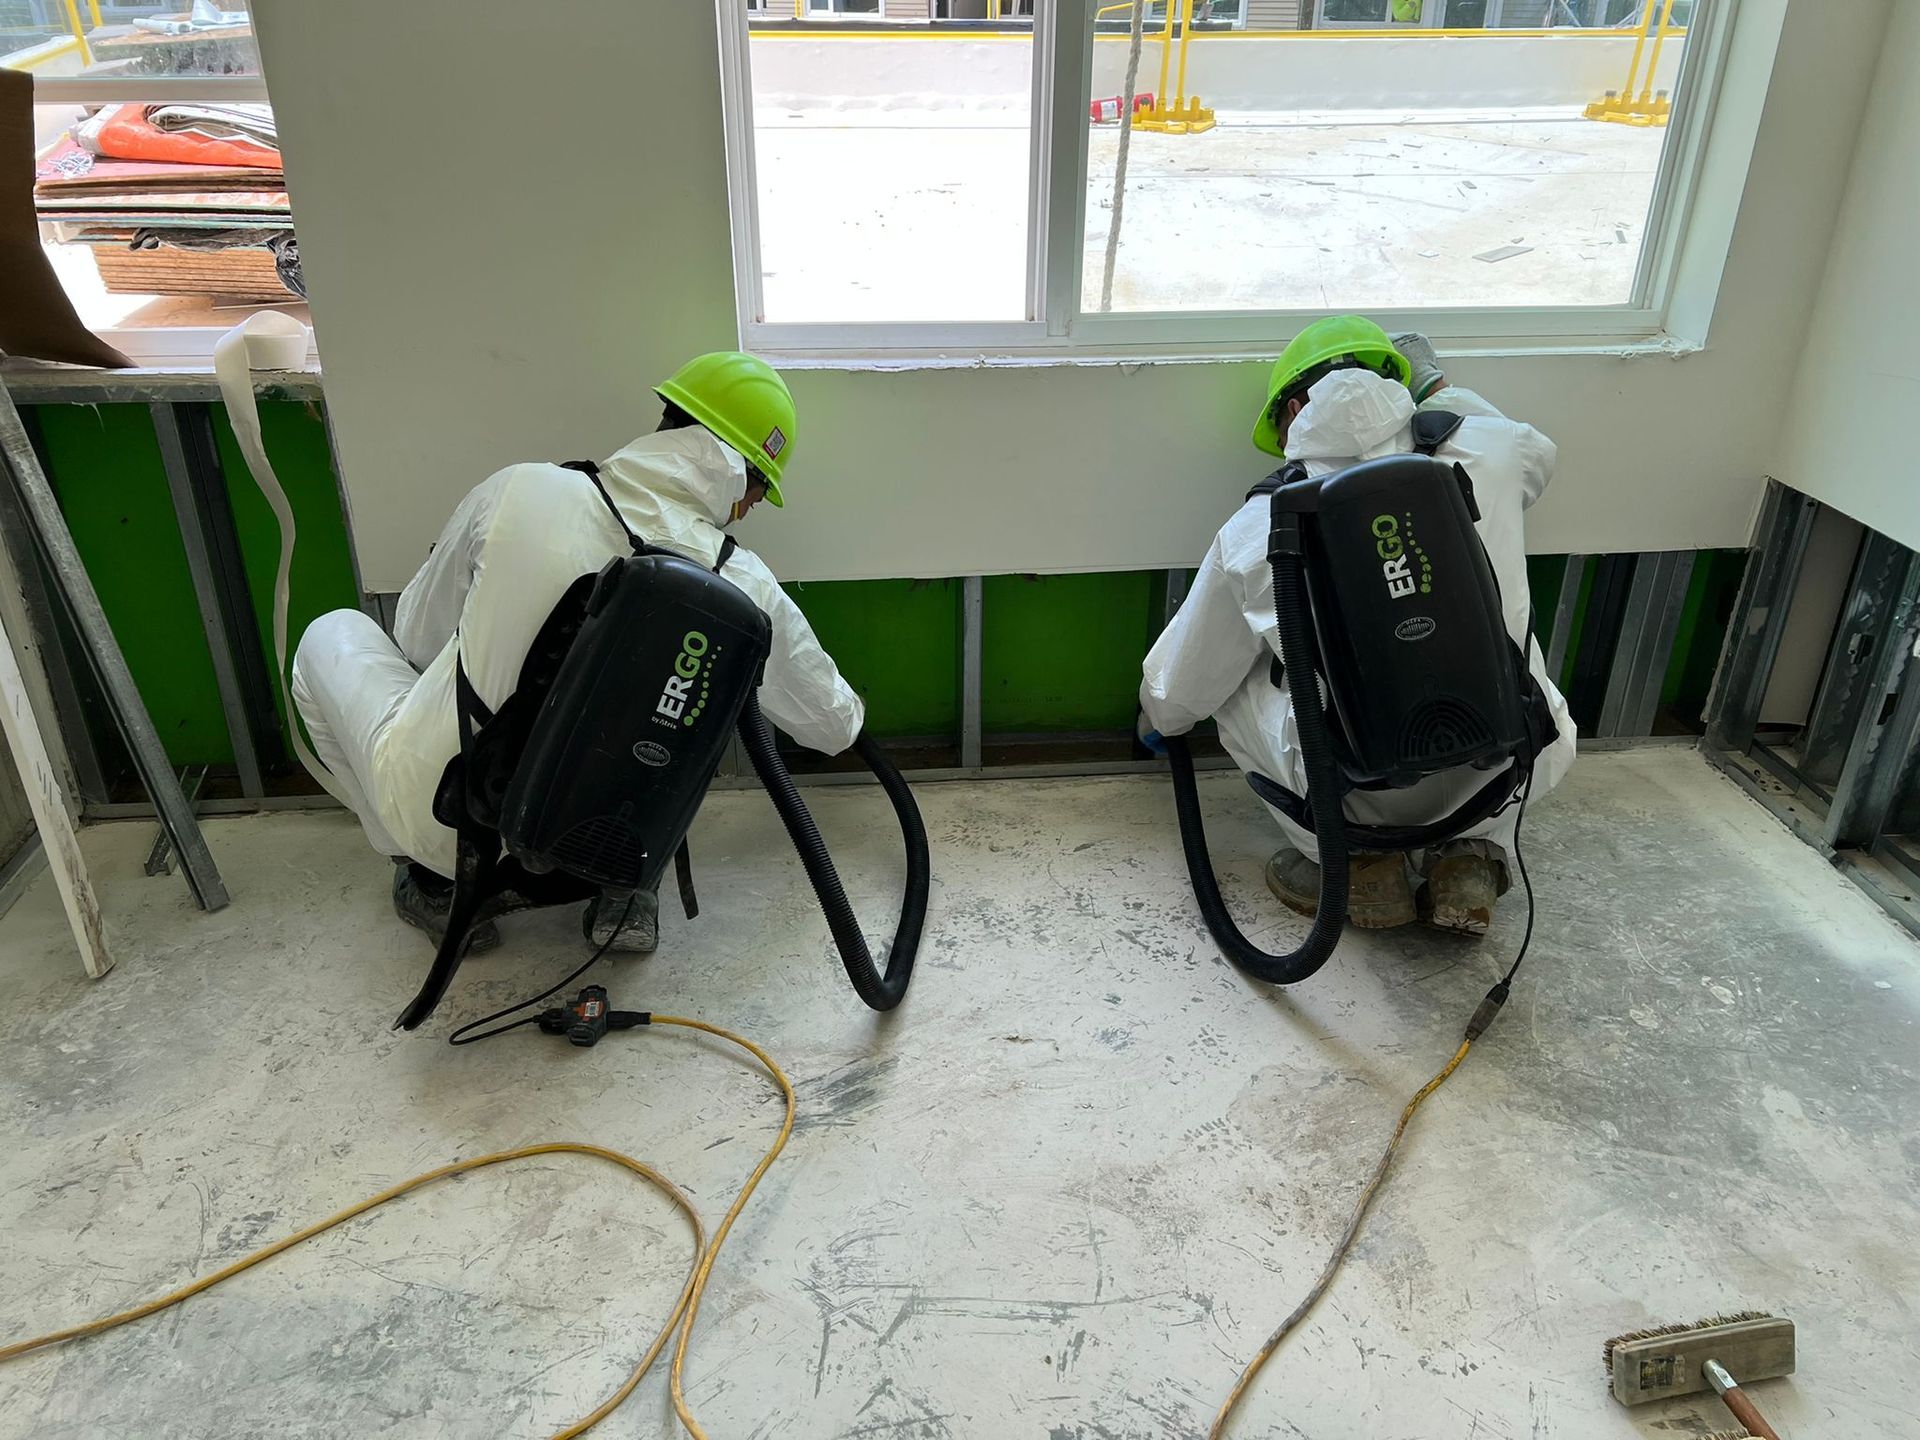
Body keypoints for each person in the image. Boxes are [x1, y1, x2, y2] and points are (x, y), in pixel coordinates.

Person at [292, 351, 863, 955]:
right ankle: (623, 894)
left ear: (668, 423)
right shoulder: (741, 587)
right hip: (606, 845)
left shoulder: (521, 489)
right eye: (757, 492)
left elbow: (415, 636)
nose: (749, 511)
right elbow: (833, 726)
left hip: (447, 816)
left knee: (329, 634)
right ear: (741, 478)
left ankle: (431, 880)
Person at [1139, 316, 1576, 936]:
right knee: (1511, 652)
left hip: (1358, 790)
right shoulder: (1488, 449)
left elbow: (1183, 680)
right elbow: (1536, 455)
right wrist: (1438, 390)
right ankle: (1471, 857)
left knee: (1225, 675)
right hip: (1510, 758)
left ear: (1293, 409)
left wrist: (1159, 719)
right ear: (1398, 386)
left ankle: (1360, 866)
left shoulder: (1259, 525)